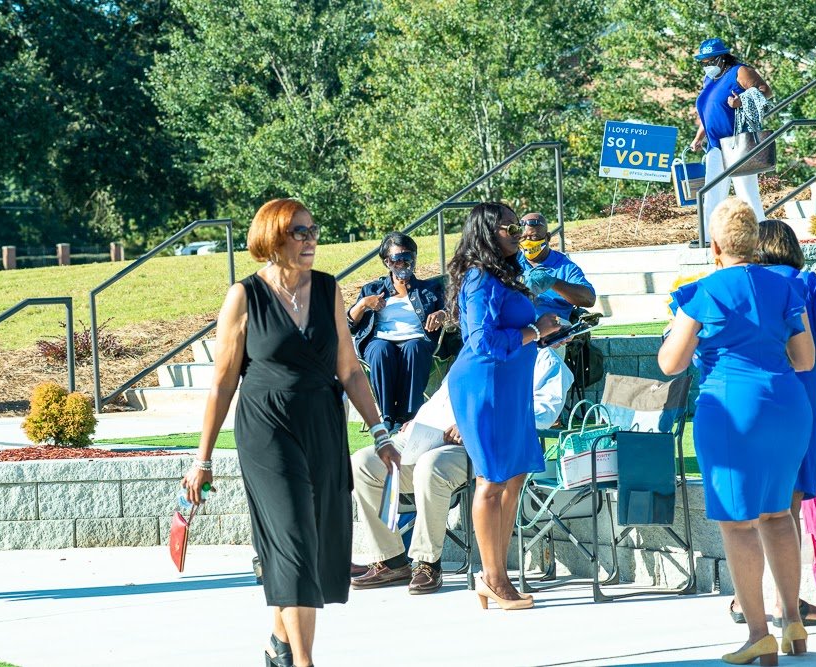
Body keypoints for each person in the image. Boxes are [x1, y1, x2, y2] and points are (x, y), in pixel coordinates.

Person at [181, 199, 394, 667]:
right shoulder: (244, 296)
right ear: (273, 239)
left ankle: (277, 645)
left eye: (314, 231)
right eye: (300, 232)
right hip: (267, 430)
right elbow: (221, 382)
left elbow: (350, 370)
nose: (311, 240)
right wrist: (202, 459)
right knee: (294, 538)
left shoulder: (327, 289)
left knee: (313, 547)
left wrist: (379, 432)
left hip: (322, 425)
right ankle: (302, 661)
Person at [658, 199, 815, 664]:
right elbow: (805, 359)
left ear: (715, 246)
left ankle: (757, 634)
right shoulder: (786, 285)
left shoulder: (704, 290)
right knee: (778, 515)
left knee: (737, 522)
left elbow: (671, 363)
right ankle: (794, 622)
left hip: (731, 407)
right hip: (788, 404)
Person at [350, 347, 573, 595]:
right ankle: (391, 560)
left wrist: (473, 424)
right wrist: (418, 421)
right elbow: (443, 398)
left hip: (474, 444)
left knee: (430, 466)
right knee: (362, 463)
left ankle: (427, 563)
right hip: (425, 436)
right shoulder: (476, 348)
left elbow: (544, 413)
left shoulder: (543, 359)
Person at [724, 219, 816, 627]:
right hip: (795, 400)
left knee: (745, 507)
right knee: (786, 507)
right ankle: (786, 605)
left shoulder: (730, 285)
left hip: (739, 404)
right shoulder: (806, 282)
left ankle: (747, 600)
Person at [444, 202, 561, 611]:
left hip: (511, 386)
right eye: (508, 227)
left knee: (513, 478)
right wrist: (533, 330)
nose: (517, 231)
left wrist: (542, 334)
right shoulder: (478, 279)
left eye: (517, 225)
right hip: (485, 385)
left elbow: (515, 332)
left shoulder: (507, 274)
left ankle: (500, 572)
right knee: (491, 481)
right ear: (486, 234)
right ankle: (491, 578)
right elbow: (482, 342)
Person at [348, 232, 446, 430]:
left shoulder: (430, 288)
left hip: (418, 339)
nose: (402, 263)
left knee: (413, 347)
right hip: (381, 339)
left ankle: (408, 416)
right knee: (379, 350)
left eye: (407, 257)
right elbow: (349, 324)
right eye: (396, 258)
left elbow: (454, 310)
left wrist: (442, 313)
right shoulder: (372, 289)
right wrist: (364, 304)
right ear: (387, 262)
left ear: (415, 258)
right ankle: (387, 417)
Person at [689, 37, 773, 244]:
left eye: (709, 60)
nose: (706, 65)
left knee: (746, 192)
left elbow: (766, 91)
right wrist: (699, 136)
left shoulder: (740, 71)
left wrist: (741, 101)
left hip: (738, 142)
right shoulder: (710, 80)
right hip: (715, 145)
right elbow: (710, 111)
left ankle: (760, 236)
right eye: (703, 62)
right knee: (711, 192)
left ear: (722, 58)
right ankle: (708, 238)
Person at [514, 211, 595, 322]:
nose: (528, 242)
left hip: (552, 332)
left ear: (547, 237)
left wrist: (553, 282)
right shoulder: (512, 261)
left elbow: (589, 299)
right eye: (523, 238)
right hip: (517, 328)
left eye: (534, 237)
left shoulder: (564, 267)